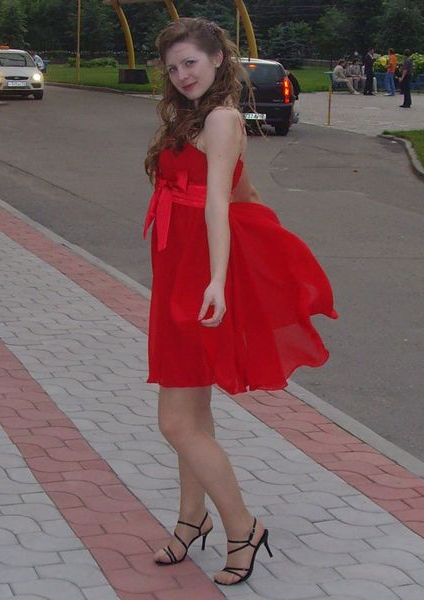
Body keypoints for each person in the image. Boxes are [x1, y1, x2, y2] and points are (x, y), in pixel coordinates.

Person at [143, 17, 337, 586]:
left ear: (217, 59)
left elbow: (217, 204)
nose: (181, 75)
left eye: (190, 63)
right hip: (177, 268)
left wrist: (218, 280)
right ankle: (191, 519)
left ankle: (242, 526)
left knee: (175, 422)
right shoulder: (190, 115)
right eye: (173, 68)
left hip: (198, 275)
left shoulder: (222, 118)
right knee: (194, 414)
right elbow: (233, 191)